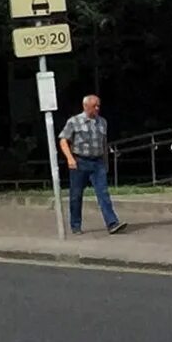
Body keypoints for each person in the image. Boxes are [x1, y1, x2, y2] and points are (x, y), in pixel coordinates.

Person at [60, 92, 124, 236]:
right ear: (85, 106)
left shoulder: (102, 122)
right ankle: (75, 225)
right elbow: (63, 140)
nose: (97, 109)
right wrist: (70, 158)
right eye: (94, 106)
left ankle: (112, 223)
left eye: (98, 106)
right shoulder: (74, 121)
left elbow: (104, 143)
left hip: (97, 161)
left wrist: (106, 162)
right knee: (76, 195)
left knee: (103, 193)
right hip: (80, 161)